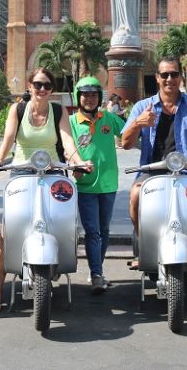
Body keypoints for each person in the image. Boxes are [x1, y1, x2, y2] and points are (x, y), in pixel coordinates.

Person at [0, 68, 92, 312]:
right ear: (29, 85)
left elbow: (66, 140)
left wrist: (78, 161)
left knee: (63, 219)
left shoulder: (57, 110)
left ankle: (57, 260)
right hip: (22, 172)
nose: (42, 89)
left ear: (52, 90)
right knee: (6, 229)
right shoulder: (18, 109)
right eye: (38, 84)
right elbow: (9, 138)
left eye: (47, 86)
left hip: (53, 171)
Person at [120, 56, 187, 269]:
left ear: (181, 77)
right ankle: (144, 242)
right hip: (152, 169)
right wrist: (138, 124)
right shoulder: (142, 107)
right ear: (157, 78)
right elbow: (126, 143)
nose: (169, 79)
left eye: (174, 74)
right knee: (136, 195)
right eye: (164, 75)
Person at [69, 77, 125, 294]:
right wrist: (76, 163)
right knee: (92, 232)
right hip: (85, 185)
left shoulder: (109, 118)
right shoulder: (72, 122)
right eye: (85, 94)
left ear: (99, 97)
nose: (89, 99)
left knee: (104, 230)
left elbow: (128, 134)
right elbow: (67, 147)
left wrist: (142, 124)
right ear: (78, 96)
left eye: (93, 95)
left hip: (108, 184)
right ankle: (96, 275)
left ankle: (98, 270)